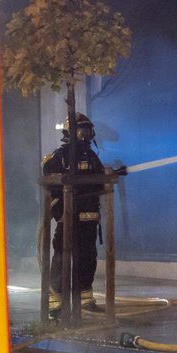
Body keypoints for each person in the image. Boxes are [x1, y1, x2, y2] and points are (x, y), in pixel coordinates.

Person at [44, 112, 109, 317]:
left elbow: (100, 181)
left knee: (88, 258)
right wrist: (59, 211)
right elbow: (49, 179)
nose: (88, 134)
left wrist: (112, 173)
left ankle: (85, 298)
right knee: (62, 259)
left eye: (89, 130)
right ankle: (55, 302)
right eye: (83, 130)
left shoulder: (91, 157)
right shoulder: (60, 157)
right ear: (72, 132)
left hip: (89, 218)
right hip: (68, 217)